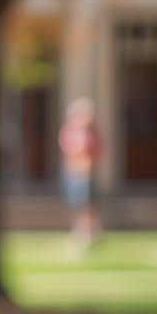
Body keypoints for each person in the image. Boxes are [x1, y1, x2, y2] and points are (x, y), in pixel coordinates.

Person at [58, 97, 102, 253]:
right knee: (77, 205)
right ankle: (79, 232)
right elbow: (70, 151)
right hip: (74, 173)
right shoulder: (69, 131)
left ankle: (90, 233)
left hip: (87, 173)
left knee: (87, 206)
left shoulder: (92, 133)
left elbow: (95, 152)